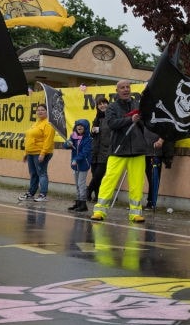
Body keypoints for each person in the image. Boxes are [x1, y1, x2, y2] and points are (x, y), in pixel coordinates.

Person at [92, 80, 162, 223]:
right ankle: (99, 211)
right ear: (117, 90)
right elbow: (111, 124)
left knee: (137, 183)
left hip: (138, 150)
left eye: (128, 87)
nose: (126, 90)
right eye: (122, 88)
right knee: (109, 180)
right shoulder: (112, 107)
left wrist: (142, 119)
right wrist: (130, 119)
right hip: (118, 150)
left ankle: (135, 213)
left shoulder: (138, 105)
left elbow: (147, 123)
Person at [20, 104, 55, 203]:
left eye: (43, 110)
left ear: (47, 112)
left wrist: (43, 153)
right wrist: (26, 152)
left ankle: (43, 194)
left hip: (40, 153)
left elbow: (48, 140)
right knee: (33, 174)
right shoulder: (36, 123)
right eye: (38, 110)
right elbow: (29, 138)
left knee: (42, 173)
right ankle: (31, 193)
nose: (40, 112)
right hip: (31, 152)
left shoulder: (48, 124)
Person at [87, 96, 110, 202]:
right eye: (100, 104)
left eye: (104, 103)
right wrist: (93, 131)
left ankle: (87, 191)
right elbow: (93, 134)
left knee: (98, 174)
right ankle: (97, 196)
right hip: (95, 150)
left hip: (106, 150)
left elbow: (111, 132)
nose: (102, 105)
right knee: (95, 174)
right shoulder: (97, 118)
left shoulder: (111, 117)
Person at [67, 118, 92, 212]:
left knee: (81, 184)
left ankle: (83, 203)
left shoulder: (88, 139)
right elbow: (66, 146)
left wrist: (76, 159)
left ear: (86, 128)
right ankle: (78, 202)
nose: (79, 127)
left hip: (83, 165)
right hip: (75, 165)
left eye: (82, 126)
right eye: (78, 125)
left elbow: (85, 152)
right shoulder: (73, 137)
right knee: (77, 184)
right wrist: (68, 143)